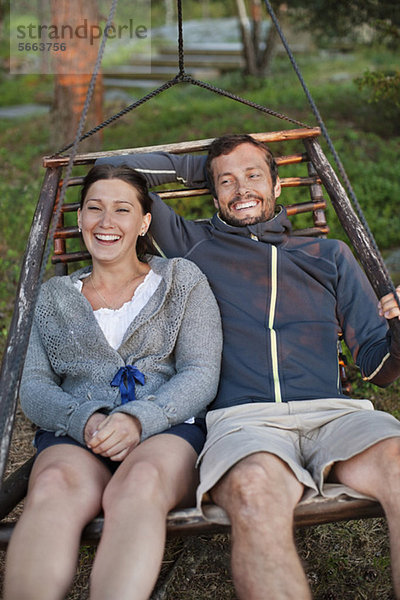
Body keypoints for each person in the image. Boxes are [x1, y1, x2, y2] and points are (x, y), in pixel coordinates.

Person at [97, 135, 400, 600]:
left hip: (337, 415)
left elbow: (379, 368)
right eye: (227, 182)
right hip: (243, 422)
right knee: (255, 492)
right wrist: (205, 165)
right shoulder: (192, 243)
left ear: (277, 186)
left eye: (254, 176)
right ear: (211, 192)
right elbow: (115, 166)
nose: (242, 190)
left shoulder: (329, 256)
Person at [4, 164, 222, 600]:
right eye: (94, 209)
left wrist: (139, 420)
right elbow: (34, 387)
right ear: (81, 218)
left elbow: (201, 372)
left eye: (122, 210)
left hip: (165, 428)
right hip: (77, 432)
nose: (106, 222)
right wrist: (85, 420)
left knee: (139, 484)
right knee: (52, 489)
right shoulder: (53, 297)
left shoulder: (180, 280)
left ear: (143, 223)